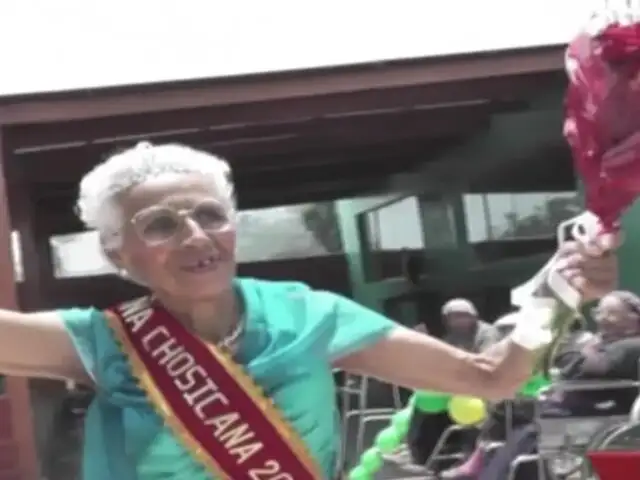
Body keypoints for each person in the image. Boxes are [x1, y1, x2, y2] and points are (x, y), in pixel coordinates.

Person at [0, 142, 616, 480]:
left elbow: (493, 378)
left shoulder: (309, 315)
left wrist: (561, 290)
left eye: (210, 216)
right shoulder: (101, 341)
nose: (195, 237)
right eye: (160, 225)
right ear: (118, 253)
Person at [442, 290, 640, 480]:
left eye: (611, 314)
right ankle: (484, 462)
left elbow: (585, 369)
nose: (602, 318)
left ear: (634, 319)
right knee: (506, 409)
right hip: (573, 402)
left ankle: (493, 470)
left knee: (523, 419)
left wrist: (576, 352)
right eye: (599, 312)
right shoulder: (603, 343)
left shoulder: (630, 345)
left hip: (600, 407)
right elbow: (571, 365)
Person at [407, 299, 501, 466]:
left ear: (473, 316)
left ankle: (473, 457)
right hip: (458, 389)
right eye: (453, 317)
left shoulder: (487, 333)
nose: (459, 321)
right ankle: (425, 455)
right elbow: (441, 361)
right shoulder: (451, 338)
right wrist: (425, 343)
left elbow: (487, 363)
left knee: (470, 412)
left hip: (485, 389)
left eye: (463, 316)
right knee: (422, 407)